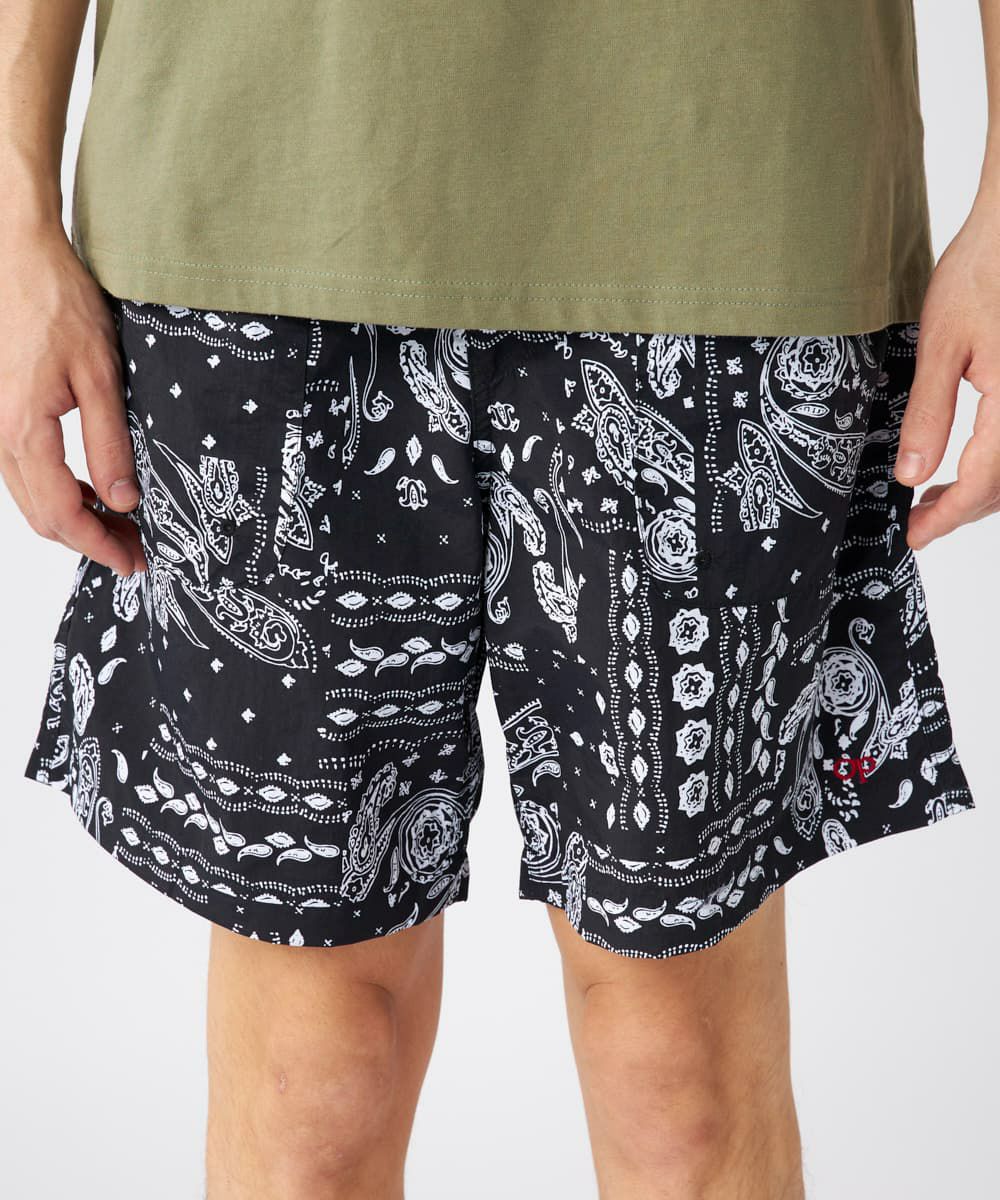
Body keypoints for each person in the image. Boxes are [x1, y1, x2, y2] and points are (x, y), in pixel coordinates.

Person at [0, 2, 990, 1196]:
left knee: (679, 1081)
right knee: (311, 1084)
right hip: (258, 177)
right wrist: (12, 202)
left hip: (729, 181)